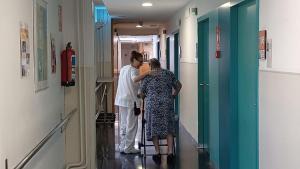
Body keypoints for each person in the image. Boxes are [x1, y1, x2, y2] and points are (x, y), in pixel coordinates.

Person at [140, 58, 182, 164]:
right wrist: (174, 95)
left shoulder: (148, 76)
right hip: (166, 105)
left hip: (152, 106)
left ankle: (157, 152)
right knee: (168, 128)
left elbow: (141, 93)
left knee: (154, 128)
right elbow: (179, 85)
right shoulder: (168, 73)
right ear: (159, 65)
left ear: (150, 65)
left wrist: (144, 95)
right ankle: (170, 153)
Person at [115, 51, 149, 154]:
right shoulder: (134, 70)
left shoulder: (124, 68)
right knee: (132, 125)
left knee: (124, 124)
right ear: (133, 60)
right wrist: (147, 73)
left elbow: (130, 84)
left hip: (121, 100)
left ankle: (122, 146)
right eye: (140, 61)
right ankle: (129, 148)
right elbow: (134, 80)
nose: (141, 64)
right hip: (131, 102)